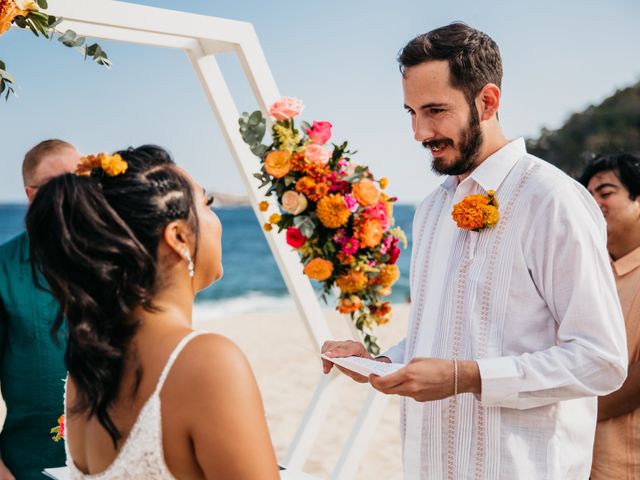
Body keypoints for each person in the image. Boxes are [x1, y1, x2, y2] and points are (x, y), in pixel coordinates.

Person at [321, 23, 628, 479]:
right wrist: (380, 362)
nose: (419, 132)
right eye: (410, 112)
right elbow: (438, 334)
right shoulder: (430, 211)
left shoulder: (553, 200)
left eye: (435, 110)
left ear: (487, 101)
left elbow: (601, 360)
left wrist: (466, 378)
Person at [25, 145, 280, 479]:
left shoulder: (86, 369)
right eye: (206, 203)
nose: (216, 220)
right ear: (177, 236)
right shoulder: (206, 362)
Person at [0, 139, 81, 480]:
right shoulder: (3, 269)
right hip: (29, 466)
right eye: (59, 184)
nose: (74, 193)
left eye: (81, 180)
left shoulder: (114, 262)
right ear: (32, 195)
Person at [580, 152, 640, 479]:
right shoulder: (589, 271)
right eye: (587, 196)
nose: (594, 204)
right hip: (579, 463)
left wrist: (571, 414)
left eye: (605, 193)